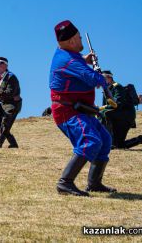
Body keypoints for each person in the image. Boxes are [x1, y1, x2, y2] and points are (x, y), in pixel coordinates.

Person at [49, 20, 116, 196]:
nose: (81, 41)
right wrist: (100, 77)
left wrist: (84, 59)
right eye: (79, 38)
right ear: (71, 42)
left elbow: (77, 63)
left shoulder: (69, 55)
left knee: (105, 139)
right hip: (68, 112)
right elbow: (93, 78)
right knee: (90, 141)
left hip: (80, 110)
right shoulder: (68, 60)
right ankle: (65, 183)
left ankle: (94, 183)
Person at [99, 70, 142, 150]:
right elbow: (106, 105)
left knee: (104, 113)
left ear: (109, 78)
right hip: (117, 117)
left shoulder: (117, 87)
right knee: (119, 145)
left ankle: (108, 142)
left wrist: (100, 108)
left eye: (103, 79)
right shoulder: (106, 90)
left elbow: (118, 104)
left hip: (125, 116)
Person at [0, 57, 22, 148]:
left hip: (12, 104)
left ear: (5, 65)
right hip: (3, 104)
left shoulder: (11, 77)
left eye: (0, 64)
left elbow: (10, 92)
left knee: (5, 124)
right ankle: (13, 144)